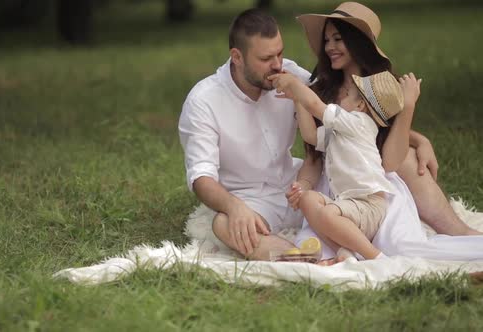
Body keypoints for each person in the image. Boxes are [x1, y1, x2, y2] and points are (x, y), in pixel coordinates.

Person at [290, 2, 483, 261]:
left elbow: (386, 152)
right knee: (313, 247)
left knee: (404, 246)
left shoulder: (379, 89)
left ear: (358, 42)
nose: (330, 48)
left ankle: (460, 233)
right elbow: (313, 150)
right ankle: (354, 251)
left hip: (371, 182)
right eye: (327, 40)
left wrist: (409, 111)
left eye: (338, 39)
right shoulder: (320, 90)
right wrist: (302, 185)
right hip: (335, 182)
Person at [178, 8, 321, 260]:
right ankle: (302, 258)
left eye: (280, 53)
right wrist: (234, 207)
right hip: (251, 200)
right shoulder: (204, 101)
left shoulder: (292, 76)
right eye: (266, 58)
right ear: (237, 56)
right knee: (224, 224)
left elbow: (343, 116)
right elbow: (202, 176)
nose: (277, 64)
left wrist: (415, 139)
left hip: (299, 184)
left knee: (366, 180)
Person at [270, 69, 418, 260]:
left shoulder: (359, 123)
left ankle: (375, 257)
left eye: (347, 95)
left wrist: (295, 85)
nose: (340, 98)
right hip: (349, 205)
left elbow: (315, 105)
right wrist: (297, 100)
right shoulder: (342, 131)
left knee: (328, 214)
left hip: (367, 205)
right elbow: (311, 136)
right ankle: (344, 251)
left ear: (360, 105)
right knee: (308, 200)